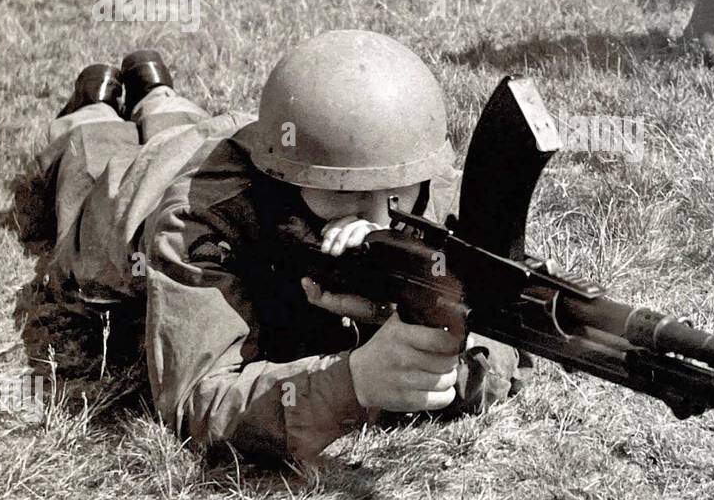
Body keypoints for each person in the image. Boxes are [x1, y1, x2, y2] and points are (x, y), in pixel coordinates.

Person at [33, 33, 526, 463]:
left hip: (256, 134)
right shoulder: (196, 221)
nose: (376, 219)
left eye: (394, 194)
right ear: (285, 182)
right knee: (95, 163)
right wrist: (350, 384)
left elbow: (508, 336)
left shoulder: (400, 169)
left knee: (177, 118)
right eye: (343, 194)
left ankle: (155, 93)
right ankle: (91, 106)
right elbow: (196, 401)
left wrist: (417, 325)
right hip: (140, 191)